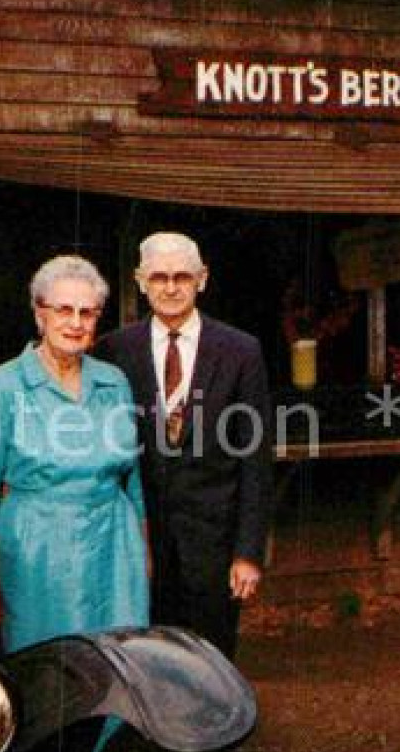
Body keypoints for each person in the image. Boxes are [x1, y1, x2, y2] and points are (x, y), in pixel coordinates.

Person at [95, 231, 272, 659]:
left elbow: (256, 461)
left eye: (181, 277)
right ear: (139, 281)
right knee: (148, 658)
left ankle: (216, 726)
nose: (170, 288)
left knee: (211, 659)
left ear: (202, 279)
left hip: (214, 544)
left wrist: (248, 553)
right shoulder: (115, 351)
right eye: (158, 277)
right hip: (142, 544)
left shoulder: (240, 351)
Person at [0, 254, 148, 653]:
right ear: (39, 314)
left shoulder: (113, 382)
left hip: (115, 549)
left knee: (120, 660)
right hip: (38, 551)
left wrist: (144, 553)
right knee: (45, 665)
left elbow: (132, 479)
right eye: (64, 309)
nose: (76, 322)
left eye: (88, 312)